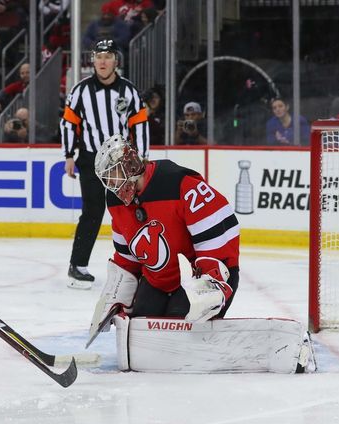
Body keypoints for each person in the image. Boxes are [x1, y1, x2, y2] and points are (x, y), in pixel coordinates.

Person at [92, 132, 239, 332]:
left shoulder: (177, 182)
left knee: (178, 327)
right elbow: (126, 258)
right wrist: (114, 297)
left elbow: (221, 232)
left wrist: (209, 285)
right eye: (107, 179)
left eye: (114, 174)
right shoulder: (115, 201)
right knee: (139, 329)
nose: (111, 184)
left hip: (200, 277)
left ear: (130, 164)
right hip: (157, 280)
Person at [60, 38, 148, 289]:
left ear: (116, 61)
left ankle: (136, 265)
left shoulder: (129, 91)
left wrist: (142, 156)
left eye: (107, 56)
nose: (102, 61)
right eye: (98, 56)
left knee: (129, 212)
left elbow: (139, 124)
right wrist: (68, 154)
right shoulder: (80, 90)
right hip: (89, 159)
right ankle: (77, 267)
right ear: (93, 61)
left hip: (122, 162)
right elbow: (68, 123)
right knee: (92, 212)